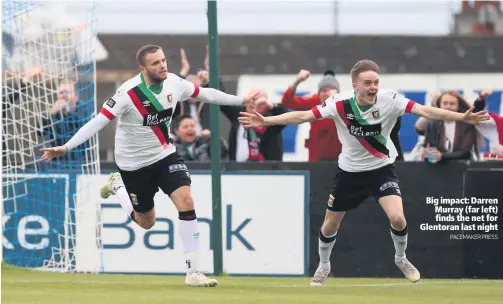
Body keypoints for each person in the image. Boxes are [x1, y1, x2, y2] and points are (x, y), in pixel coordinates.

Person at [238, 59, 489, 286]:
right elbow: (304, 115)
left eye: (376, 82)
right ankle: (324, 265)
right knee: (329, 225)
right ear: (354, 85)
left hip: (381, 170)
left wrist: (462, 117)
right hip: (349, 173)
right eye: (367, 83)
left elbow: (425, 111)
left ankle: (400, 258)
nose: (373, 87)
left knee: (398, 218)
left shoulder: (390, 99)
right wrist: (267, 121)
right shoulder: (339, 104)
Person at [40, 44, 258, 287]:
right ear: (142, 68)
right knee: (147, 222)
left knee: (186, 200)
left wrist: (241, 99)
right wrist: (67, 146)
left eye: (164, 60)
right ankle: (118, 186)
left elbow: (206, 94)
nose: (163, 65)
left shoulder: (175, 82)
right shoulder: (127, 93)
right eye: (156, 63)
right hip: (133, 164)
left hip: (164, 154)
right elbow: (98, 122)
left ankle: (194, 272)